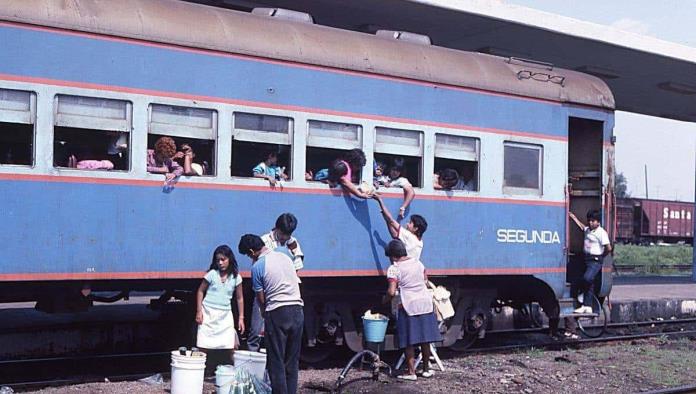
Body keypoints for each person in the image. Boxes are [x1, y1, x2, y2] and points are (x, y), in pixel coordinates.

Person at [239, 234, 304, 394]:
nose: (249, 258)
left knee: (277, 361)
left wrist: (265, 318)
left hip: (278, 312)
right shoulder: (285, 256)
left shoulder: (257, 267)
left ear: (252, 251)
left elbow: (261, 299)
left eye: (248, 255)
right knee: (292, 361)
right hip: (297, 310)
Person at [246, 213, 305, 352]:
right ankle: (252, 363)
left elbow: (297, 267)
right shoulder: (264, 241)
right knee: (256, 330)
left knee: (279, 334)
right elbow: (257, 265)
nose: (285, 237)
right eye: (283, 233)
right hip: (265, 290)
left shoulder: (293, 243)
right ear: (276, 228)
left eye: (288, 234)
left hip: (284, 295)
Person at [384, 239, 441, 381]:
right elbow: (425, 281)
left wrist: (384, 300)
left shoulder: (394, 268)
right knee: (425, 339)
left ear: (393, 255)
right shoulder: (418, 263)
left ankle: (411, 372)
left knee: (409, 339)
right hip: (425, 303)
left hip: (408, 305)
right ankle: (426, 369)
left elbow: (391, 292)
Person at [195, 245, 245, 365]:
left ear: (230, 259)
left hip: (225, 315)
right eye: (218, 260)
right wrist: (199, 311)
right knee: (203, 345)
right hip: (208, 313)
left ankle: (238, 374)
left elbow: (239, 298)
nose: (220, 263)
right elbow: (200, 291)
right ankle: (198, 372)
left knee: (231, 345)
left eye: (223, 259)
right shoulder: (212, 274)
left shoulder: (236, 277)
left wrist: (241, 318)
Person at [569, 210, 612, 314]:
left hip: (595, 260)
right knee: (589, 282)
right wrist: (574, 218)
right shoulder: (588, 230)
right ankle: (587, 306)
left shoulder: (601, 233)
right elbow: (582, 227)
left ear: (598, 222)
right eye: (589, 221)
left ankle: (582, 295)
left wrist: (601, 255)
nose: (591, 223)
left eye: (593, 221)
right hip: (586, 258)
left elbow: (609, 248)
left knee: (587, 278)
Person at [372, 194, 427, 260]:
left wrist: (380, 200)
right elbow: (394, 235)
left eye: (410, 223)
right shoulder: (420, 242)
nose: (407, 224)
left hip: (405, 267)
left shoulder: (409, 236)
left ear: (415, 228)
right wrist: (387, 220)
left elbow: (391, 220)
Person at [308, 149, 373, 199]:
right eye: (358, 166)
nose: (358, 169)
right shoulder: (342, 167)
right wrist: (360, 194)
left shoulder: (348, 168)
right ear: (353, 162)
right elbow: (344, 182)